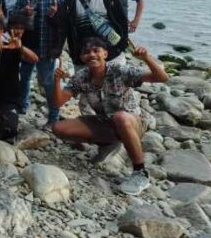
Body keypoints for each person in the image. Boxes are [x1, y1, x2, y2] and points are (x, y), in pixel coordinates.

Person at [52, 37, 168, 195]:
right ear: (82, 58)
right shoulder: (81, 77)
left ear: (105, 54)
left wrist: (146, 58)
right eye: (87, 52)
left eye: (96, 50)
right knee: (59, 128)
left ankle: (140, 172)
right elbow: (58, 102)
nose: (92, 54)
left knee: (120, 118)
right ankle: (107, 143)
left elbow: (162, 77)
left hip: (133, 122)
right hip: (105, 122)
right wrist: (56, 80)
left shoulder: (119, 70)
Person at [10, 0, 65, 122]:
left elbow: (65, 25)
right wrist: (23, 12)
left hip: (47, 48)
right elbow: (12, 17)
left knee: (48, 83)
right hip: (27, 47)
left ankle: (54, 116)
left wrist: (55, 15)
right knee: (24, 78)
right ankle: (22, 106)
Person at [56, 0, 129, 66]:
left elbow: (122, 21)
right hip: (84, 57)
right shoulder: (69, 2)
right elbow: (63, 29)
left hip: (112, 54)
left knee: (116, 77)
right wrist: (70, 54)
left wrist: (122, 45)